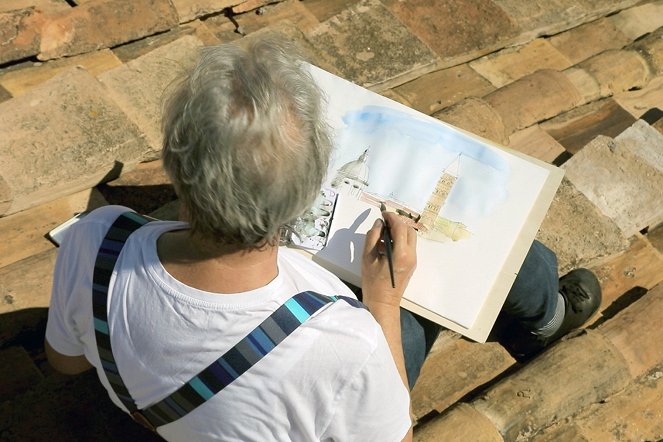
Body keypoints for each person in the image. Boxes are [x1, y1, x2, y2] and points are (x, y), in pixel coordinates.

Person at [44, 36, 601, 441]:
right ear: (309, 191)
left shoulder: (96, 237)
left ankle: (540, 315)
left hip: (159, 411)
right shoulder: (345, 343)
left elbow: (65, 364)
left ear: (175, 165)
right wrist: (382, 301)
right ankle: (544, 321)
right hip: (315, 362)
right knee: (513, 262)